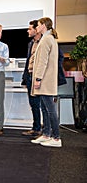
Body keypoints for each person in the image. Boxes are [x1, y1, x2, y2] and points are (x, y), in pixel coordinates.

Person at [31, 17, 62, 147]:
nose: (36, 27)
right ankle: (46, 134)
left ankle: (56, 138)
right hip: (46, 80)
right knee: (45, 108)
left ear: (43, 25)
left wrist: (38, 78)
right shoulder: (49, 39)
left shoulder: (46, 40)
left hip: (44, 80)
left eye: (38, 25)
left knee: (50, 109)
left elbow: (42, 62)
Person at [21, 20, 42, 136]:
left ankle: (43, 129)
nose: (28, 31)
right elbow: (28, 61)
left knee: (41, 104)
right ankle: (36, 128)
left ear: (36, 29)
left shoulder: (44, 42)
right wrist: (25, 78)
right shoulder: (31, 43)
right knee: (33, 104)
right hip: (30, 76)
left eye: (30, 29)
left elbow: (58, 58)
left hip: (38, 77)